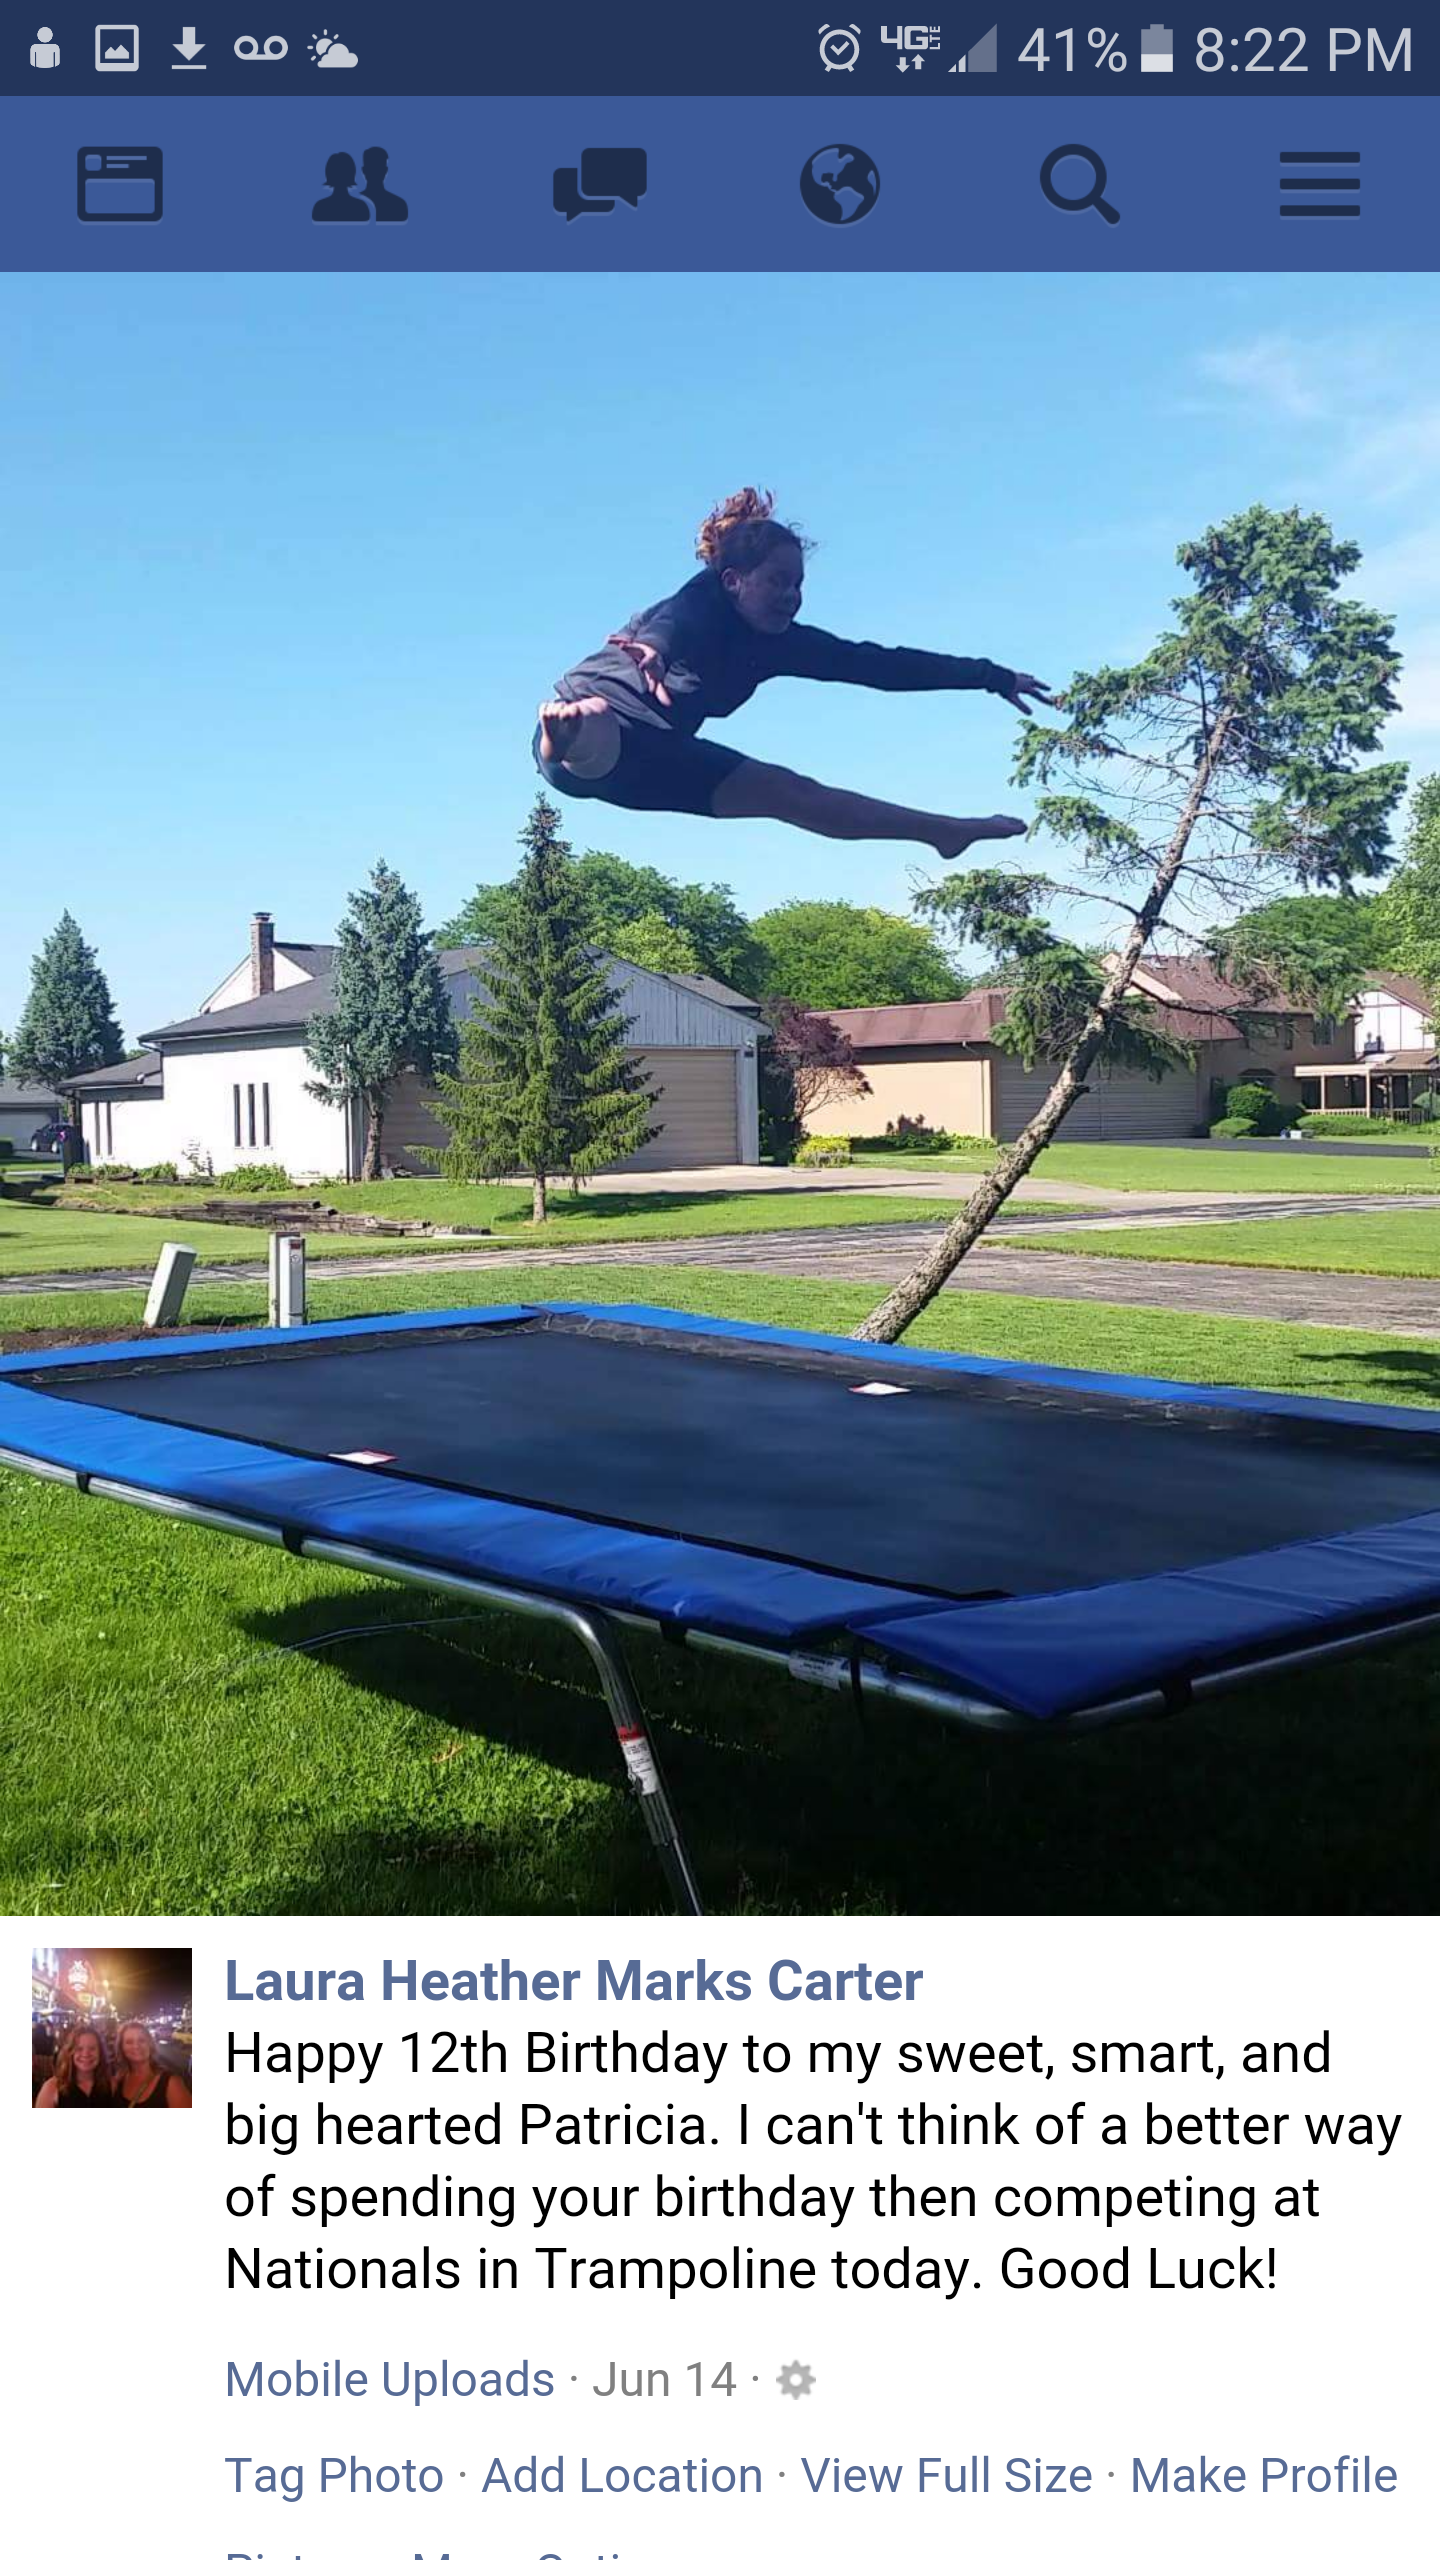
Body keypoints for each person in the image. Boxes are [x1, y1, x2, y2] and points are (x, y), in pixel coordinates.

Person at [534, 486, 1052, 860]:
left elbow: (885, 665)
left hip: (657, 760)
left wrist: (993, 676)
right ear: (734, 581)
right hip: (595, 732)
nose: (791, 596)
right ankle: (571, 733)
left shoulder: (783, 643)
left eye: (798, 584)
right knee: (597, 724)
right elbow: (678, 618)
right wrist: (654, 647)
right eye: (778, 581)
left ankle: (942, 832)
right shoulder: (706, 596)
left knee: (794, 793)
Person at [112, 2018, 192, 2109]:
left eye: (142, 2040)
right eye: (129, 2042)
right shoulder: (118, 2080)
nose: (136, 2046)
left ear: (150, 2044)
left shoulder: (171, 2083)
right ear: (121, 2047)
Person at [34, 2025, 113, 2108]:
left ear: (101, 2053)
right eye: (79, 2049)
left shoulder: (111, 2085)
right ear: (70, 2053)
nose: (86, 2054)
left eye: (92, 2048)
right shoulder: (51, 2087)